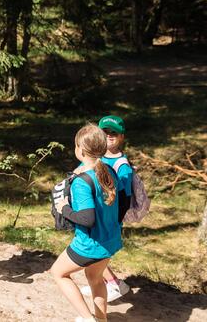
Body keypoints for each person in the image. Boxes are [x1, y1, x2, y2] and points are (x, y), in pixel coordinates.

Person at [51, 124, 122, 322]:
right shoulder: (109, 170)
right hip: (109, 239)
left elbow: (87, 219)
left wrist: (64, 208)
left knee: (58, 273)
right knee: (96, 279)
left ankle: (87, 318)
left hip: (89, 245)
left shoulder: (82, 181)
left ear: (80, 150)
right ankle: (101, 319)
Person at [80, 115, 132, 302]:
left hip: (105, 218)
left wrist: (113, 221)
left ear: (121, 137)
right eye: (105, 132)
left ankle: (114, 283)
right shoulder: (97, 157)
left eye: (114, 133)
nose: (109, 135)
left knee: (96, 250)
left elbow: (125, 199)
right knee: (93, 250)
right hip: (90, 212)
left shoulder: (121, 166)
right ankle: (101, 280)